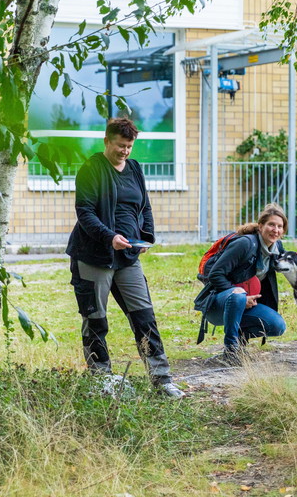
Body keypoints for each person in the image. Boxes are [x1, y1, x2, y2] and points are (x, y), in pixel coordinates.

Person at [66, 117, 185, 398]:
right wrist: (110, 237)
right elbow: (85, 213)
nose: (125, 151)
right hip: (94, 256)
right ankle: (101, 378)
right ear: (107, 141)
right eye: (121, 146)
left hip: (128, 256)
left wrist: (148, 237)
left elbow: (144, 206)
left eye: (129, 146)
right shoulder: (91, 169)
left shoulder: (134, 168)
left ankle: (161, 379)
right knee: (96, 319)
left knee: (145, 317)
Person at [198, 203, 297, 364]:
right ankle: (230, 350)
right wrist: (238, 294)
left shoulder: (276, 247)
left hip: (245, 304)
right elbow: (215, 274)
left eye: (280, 226)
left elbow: (290, 257)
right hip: (218, 303)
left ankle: (239, 344)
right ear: (260, 226)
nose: (275, 230)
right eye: (271, 224)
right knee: (238, 296)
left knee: (277, 325)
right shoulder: (244, 244)